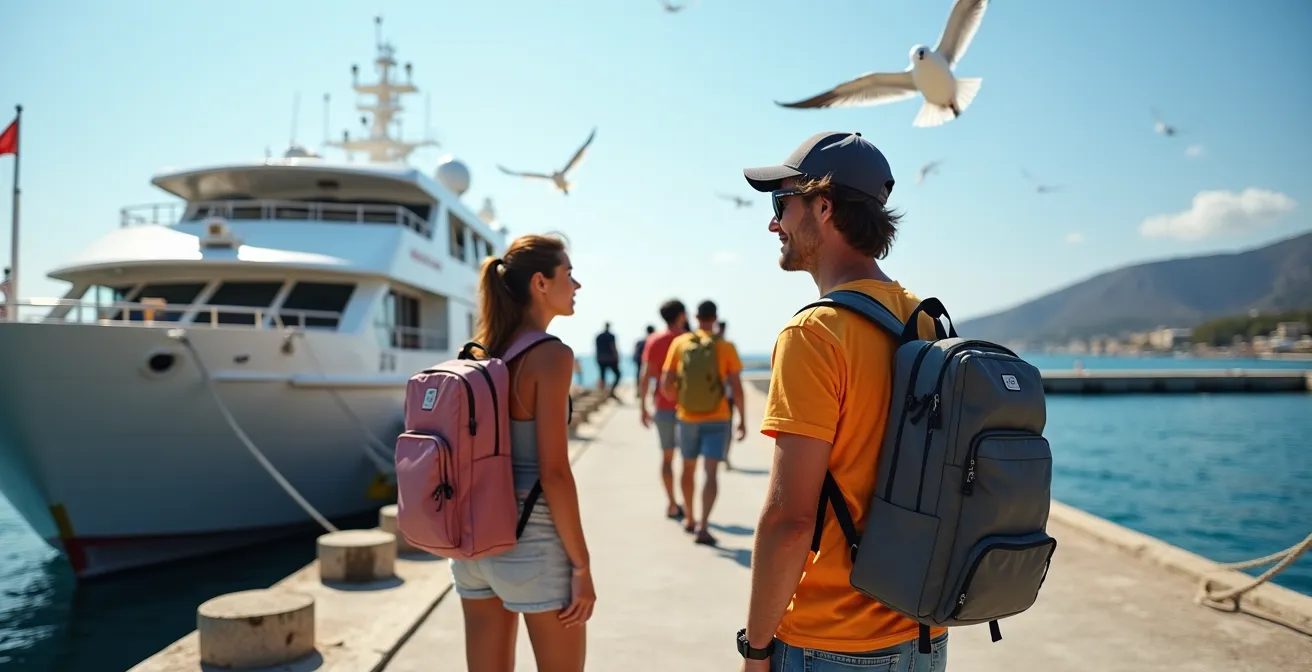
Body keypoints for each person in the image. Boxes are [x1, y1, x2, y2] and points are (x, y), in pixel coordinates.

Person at [735, 132, 944, 671]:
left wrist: (756, 649)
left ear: (823, 207)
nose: (773, 223)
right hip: (923, 632)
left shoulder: (816, 333)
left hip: (833, 642)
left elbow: (789, 520)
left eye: (782, 204)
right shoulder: (924, 318)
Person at [450, 234, 595, 671]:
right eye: (569, 274)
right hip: (531, 541)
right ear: (540, 283)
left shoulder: (482, 353)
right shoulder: (550, 356)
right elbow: (553, 473)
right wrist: (582, 566)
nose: (578, 285)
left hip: (472, 543)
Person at [659, 299, 746, 546]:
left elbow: (665, 384)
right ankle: (703, 525)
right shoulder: (726, 346)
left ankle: (688, 517)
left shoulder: (680, 343)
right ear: (715, 318)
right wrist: (741, 420)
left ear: (695, 318)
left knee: (687, 468)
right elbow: (737, 388)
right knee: (710, 472)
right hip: (718, 417)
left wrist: (681, 401)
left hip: (687, 418)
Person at [638, 299, 690, 521]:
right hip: (689, 408)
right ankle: (691, 512)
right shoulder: (687, 340)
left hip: (663, 406)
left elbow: (645, 375)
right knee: (689, 463)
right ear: (681, 315)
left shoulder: (654, 340)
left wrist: (643, 406)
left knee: (667, 457)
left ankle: (671, 503)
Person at [717, 320, 736, 470]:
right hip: (727, 397)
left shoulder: (711, 346)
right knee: (727, 430)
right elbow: (735, 377)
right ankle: (725, 457)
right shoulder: (726, 347)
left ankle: (719, 457)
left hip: (713, 397)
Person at [594, 322, 621, 397]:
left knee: (602, 376)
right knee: (618, 375)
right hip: (610, 359)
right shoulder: (611, 336)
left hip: (600, 358)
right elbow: (613, 347)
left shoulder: (598, 336)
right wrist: (617, 357)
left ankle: (602, 393)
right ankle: (611, 390)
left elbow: (596, 348)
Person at [633, 325, 655, 400]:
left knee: (640, 376)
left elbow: (636, 351)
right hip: (647, 361)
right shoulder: (653, 340)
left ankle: (639, 392)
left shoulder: (641, 341)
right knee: (651, 378)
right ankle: (650, 393)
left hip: (639, 360)